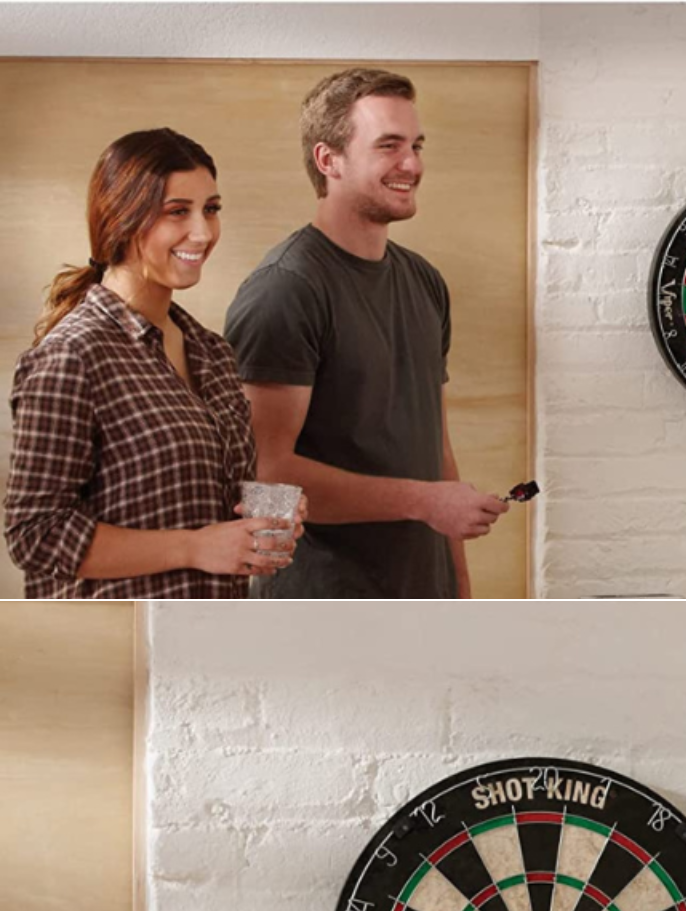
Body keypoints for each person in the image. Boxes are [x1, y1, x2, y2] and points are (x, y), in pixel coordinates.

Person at [225, 68, 508, 599]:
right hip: (324, 607)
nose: (413, 164)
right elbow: (266, 471)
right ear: (328, 160)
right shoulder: (285, 291)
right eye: (389, 146)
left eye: (417, 145)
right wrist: (424, 502)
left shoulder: (424, 281)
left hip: (424, 595)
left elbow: (436, 449)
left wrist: (460, 587)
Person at [5, 128, 302, 599]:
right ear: (121, 219)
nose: (203, 232)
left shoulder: (212, 352)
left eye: (211, 209)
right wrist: (193, 548)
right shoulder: (73, 356)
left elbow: (195, 495)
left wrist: (256, 517)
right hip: (115, 647)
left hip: (210, 643)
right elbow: (35, 534)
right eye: (177, 212)